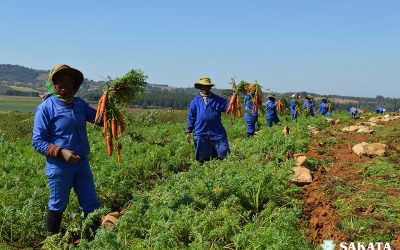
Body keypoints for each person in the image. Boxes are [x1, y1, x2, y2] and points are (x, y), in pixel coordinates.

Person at [32, 64, 101, 236]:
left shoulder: (79, 104)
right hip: (59, 166)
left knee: (91, 204)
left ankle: (90, 243)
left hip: (82, 163)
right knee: (57, 204)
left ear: (74, 85)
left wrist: (111, 105)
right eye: (60, 81)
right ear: (52, 84)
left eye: (69, 81)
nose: (65, 84)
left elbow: (100, 119)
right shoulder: (46, 108)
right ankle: (53, 242)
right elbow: (37, 141)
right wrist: (61, 152)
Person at [186, 77, 230, 163]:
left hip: (217, 131)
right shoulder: (195, 101)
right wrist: (188, 131)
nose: (206, 88)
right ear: (200, 87)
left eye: (208, 86)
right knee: (202, 158)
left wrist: (234, 100)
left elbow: (228, 106)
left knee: (223, 154)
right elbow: (191, 117)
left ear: (210, 87)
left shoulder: (218, 100)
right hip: (201, 132)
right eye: (203, 86)